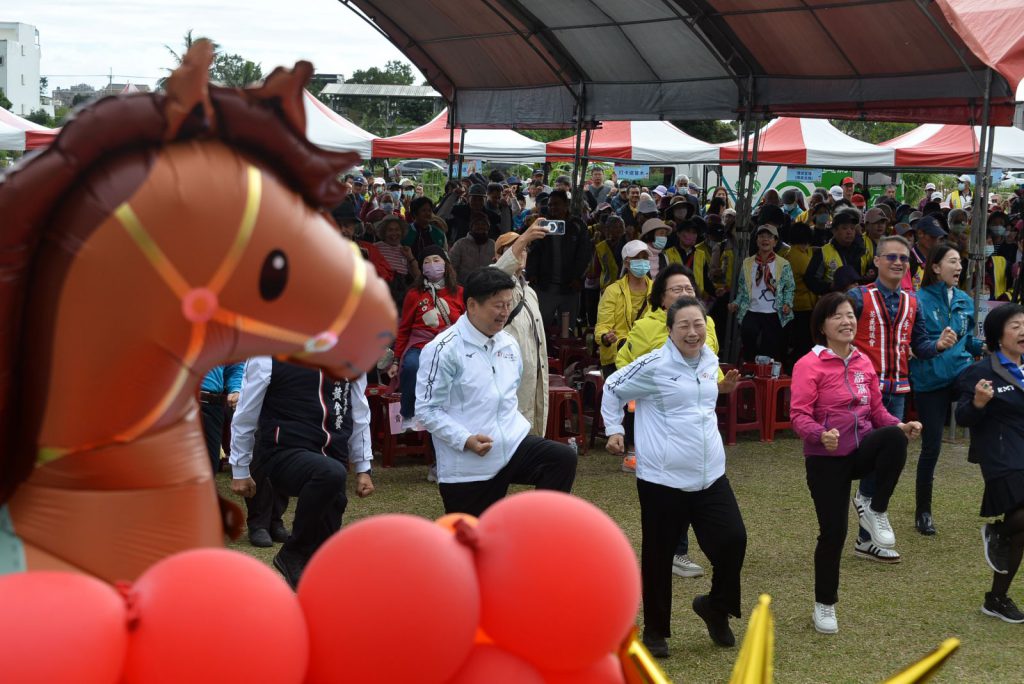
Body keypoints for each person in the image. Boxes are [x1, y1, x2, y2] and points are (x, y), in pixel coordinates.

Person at [603, 296, 746, 656]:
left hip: (711, 474)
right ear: (670, 331)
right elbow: (612, 387)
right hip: (663, 480)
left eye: (698, 324)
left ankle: (715, 607)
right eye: (683, 325)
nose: (692, 332)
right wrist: (613, 429)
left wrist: (723, 387)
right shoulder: (653, 365)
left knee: (733, 540)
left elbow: (701, 397)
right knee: (659, 554)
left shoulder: (709, 359)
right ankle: (655, 631)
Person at [791, 292, 921, 634]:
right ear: (822, 326)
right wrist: (821, 434)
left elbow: (877, 412)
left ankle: (873, 506)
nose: (847, 322)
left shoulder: (863, 361)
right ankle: (825, 605)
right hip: (826, 459)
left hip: (860, 450)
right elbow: (798, 415)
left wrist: (900, 425)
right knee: (833, 534)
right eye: (838, 317)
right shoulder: (809, 364)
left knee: (893, 437)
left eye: (850, 315)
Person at [416, 267, 577, 516]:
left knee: (560, 458)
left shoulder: (508, 343)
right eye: (498, 305)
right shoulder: (443, 349)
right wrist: (465, 439)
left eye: (508, 304)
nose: (505, 313)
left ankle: (543, 530)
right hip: (469, 461)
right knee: (473, 544)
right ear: (472, 305)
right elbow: (427, 411)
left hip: (511, 446)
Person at [230, 358, 375, 588]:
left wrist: (363, 467)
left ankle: (314, 580)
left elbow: (360, 412)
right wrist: (240, 468)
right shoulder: (269, 355)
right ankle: (293, 552)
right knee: (330, 473)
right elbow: (245, 413)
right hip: (283, 453)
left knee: (333, 507)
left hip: (332, 456)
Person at [616, 264, 722, 579]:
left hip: (697, 417)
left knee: (698, 482)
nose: (684, 294)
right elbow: (623, 365)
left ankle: (681, 549)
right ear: (662, 298)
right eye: (676, 290)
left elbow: (709, 362)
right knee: (670, 487)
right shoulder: (646, 327)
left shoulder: (708, 323)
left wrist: (718, 384)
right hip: (662, 421)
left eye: (689, 288)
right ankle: (675, 552)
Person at [955, 303, 1024, 623]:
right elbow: (963, 416)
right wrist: (979, 403)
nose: (1022, 330)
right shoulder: (980, 371)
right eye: (1015, 325)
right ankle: (997, 532)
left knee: (1021, 529)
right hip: (1001, 456)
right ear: (998, 335)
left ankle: (996, 598)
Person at [909, 245, 985, 535]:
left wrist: (984, 346)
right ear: (936, 267)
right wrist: (937, 343)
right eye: (952, 261)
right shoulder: (918, 300)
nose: (959, 267)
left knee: (983, 390)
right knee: (932, 447)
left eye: (960, 263)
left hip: (960, 371)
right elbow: (917, 343)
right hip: (930, 379)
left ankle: (979, 444)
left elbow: (968, 340)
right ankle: (923, 512)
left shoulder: (965, 300)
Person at [389, 246, 465, 430]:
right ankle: (408, 414)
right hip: (420, 345)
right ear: (421, 268)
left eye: (436, 260)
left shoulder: (460, 292)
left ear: (446, 264)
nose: (432, 265)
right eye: (427, 261)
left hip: (450, 346)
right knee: (412, 367)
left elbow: (468, 325)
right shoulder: (414, 294)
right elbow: (404, 328)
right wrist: (397, 360)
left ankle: (458, 417)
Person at [493, 225, 549, 436]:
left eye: (523, 248)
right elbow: (497, 274)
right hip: (505, 369)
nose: (519, 252)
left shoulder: (530, 291)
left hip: (533, 369)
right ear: (498, 256)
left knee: (532, 424)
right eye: (510, 249)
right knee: (509, 424)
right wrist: (523, 238)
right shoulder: (493, 285)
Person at [525, 190, 594, 328]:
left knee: (567, 329)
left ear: (566, 205)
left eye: (556, 204)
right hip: (545, 287)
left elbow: (585, 254)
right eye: (550, 205)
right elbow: (533, 250)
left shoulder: (577, 225)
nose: (552, 208)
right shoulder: (541, 224)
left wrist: (578, 278)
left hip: (570, 288)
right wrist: (532, 274)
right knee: (540, 327)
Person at [729, 225, 795, 362]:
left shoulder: (783, 264)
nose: (765, 240)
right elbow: (742, 288)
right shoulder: (747, 263)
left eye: (769, 237)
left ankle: (765, 377)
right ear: (757, 240)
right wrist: (736, 303)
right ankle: (749, 372)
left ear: (775, 242)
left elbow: (789, 288)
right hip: (751, 310)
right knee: (748, 343)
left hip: (774, 313)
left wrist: (788, 303)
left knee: (769, 348)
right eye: (762, 236)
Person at [596, 240, 652, 377]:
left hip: (650, 356)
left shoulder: (658, 291)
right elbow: (603, 325)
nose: (642, 261)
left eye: (645, 257)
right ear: (626, 263)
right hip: (618, 354)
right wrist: (605, 337)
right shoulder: (612, 291)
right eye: (637, 258)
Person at [805, 208, 873, 294]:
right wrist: (830, 286)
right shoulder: (823, 252)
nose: (849, 232)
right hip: (834, 301)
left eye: (852, 228)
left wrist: (869, 274)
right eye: (844, 228)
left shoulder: (862, 250)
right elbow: (810, 279)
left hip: (860, 298)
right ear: (834, 231)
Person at [780, 222, 819, 363]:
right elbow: (813, 280)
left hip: (792, 304)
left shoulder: (790, 253)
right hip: (802, 306)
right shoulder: (800, 259)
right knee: (803, 343)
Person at [198, 364, 242, 474]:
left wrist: (236, 389)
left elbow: (235, 365)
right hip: (170, 404)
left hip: (210, 406)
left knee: (208, 469)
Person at [449, 215, 496, 286]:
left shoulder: (493, 244)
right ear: (471, 227)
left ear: (488, 227)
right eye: (477, 224)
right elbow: (451, 266)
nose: (480, 227)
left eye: (483, 224)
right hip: (464, 287)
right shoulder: (460, 244)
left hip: (488, 287)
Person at [593, 214, 628, 292]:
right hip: (607, 288)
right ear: (608, 229)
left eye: (621, 226)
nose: (619, 229)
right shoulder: (600, 247)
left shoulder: (628, 245)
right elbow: (596, 271)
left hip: (624, 287)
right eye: (615, 227)